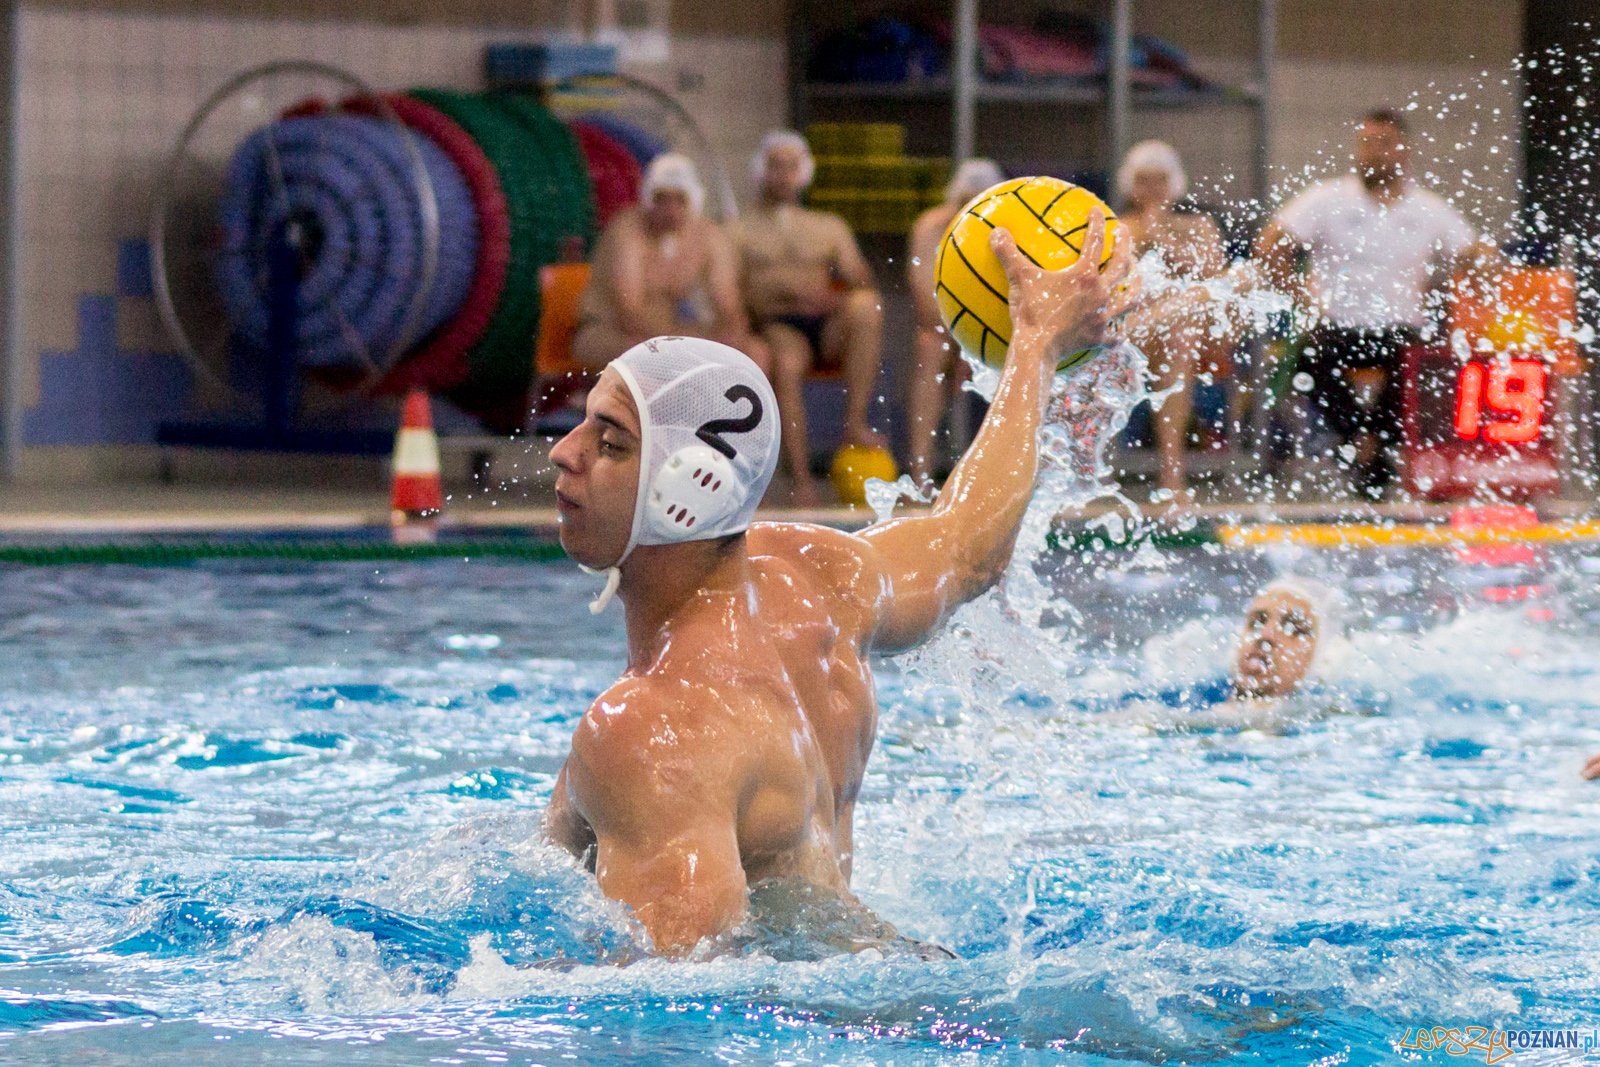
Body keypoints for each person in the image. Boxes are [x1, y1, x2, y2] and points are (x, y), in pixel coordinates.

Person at [543, 210, 1137, 956]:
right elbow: (968, 547)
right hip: (895, 973)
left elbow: (672, 1001)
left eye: (611, 441)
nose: (565, 453)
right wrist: (1038, 346)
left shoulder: (652, 731)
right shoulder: (815, 577)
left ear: (686, 490)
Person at [1255, 109, 1491, 498]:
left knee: (1429, 367)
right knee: (1306, 362)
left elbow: (1474, 253)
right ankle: (1370, 447)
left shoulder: (1427, 207)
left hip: (1401, 329)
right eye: (1366, 144)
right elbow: (1270, 244)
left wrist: (1473, 278)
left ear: (1404, 151)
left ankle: (1365, 451)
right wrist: (1296, 293)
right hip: (1336, 325)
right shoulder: (1327, 198)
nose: (1373, 154)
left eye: (1383, 144)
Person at [733, 131, 886, 505]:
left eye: (791, 166)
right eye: (775, 166)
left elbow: (860, 278)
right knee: (785, 364)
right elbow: (733, 295)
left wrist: (832, 293)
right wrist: (777, 293)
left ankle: (854, 422)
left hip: (828, 325)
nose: (783, 175)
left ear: (804, 173)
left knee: (867, 306)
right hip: (780, 327)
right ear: (760, 171)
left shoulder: (828, 226)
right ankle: (799, 476)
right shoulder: (737, 229)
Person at [571, 153, 763, 374]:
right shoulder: (627, 232)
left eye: (679, 200)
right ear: (647, 199)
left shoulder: (708, 235)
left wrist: (730, 336)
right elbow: (628, 313)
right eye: (661, 199)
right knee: (656, 360)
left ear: (694, 200)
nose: (670, 210)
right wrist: (686, 343)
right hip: (608, 331)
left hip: (667, 335)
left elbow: (728, 304)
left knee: (756, 353)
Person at [1115, 141, 1230, 501]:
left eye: (1159, 180)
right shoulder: (1116, 226)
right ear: (1130, 185)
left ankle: (1172, 474)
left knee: (1177, 340)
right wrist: (1144, 235)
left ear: (1175, 183)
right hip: (1125, 336)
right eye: (1143, 181)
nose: (1152, 190)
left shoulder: (1199, 226)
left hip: (1184, 337)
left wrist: (1160, 235)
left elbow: (1215, 279)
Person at [905, 158, 1005, 489]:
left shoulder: (1010, 232)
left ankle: (1011, 475)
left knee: (1028, 350)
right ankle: (920, 472)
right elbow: (926, 303)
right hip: (948, 330)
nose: (972, 210)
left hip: (996, 331)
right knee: (931, 346)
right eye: (965, 202)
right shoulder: (931, 227)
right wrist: (966, 343)